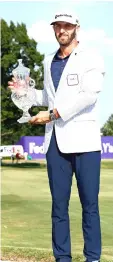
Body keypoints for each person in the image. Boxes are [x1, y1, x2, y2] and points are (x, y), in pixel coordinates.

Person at [8, 9, 105, 262]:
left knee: (90, 207)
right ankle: (62, 258)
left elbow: (88, 96)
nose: (62, 30)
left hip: (85, 143)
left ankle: (92, 258)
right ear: (53, 29)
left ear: (76, 28)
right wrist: (24, 92)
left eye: (67, 25)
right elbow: (47, 97)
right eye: (58, 26)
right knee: (59, 208)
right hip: (55, 143)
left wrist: (51, 115)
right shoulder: (48, 59)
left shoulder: (92, 57)